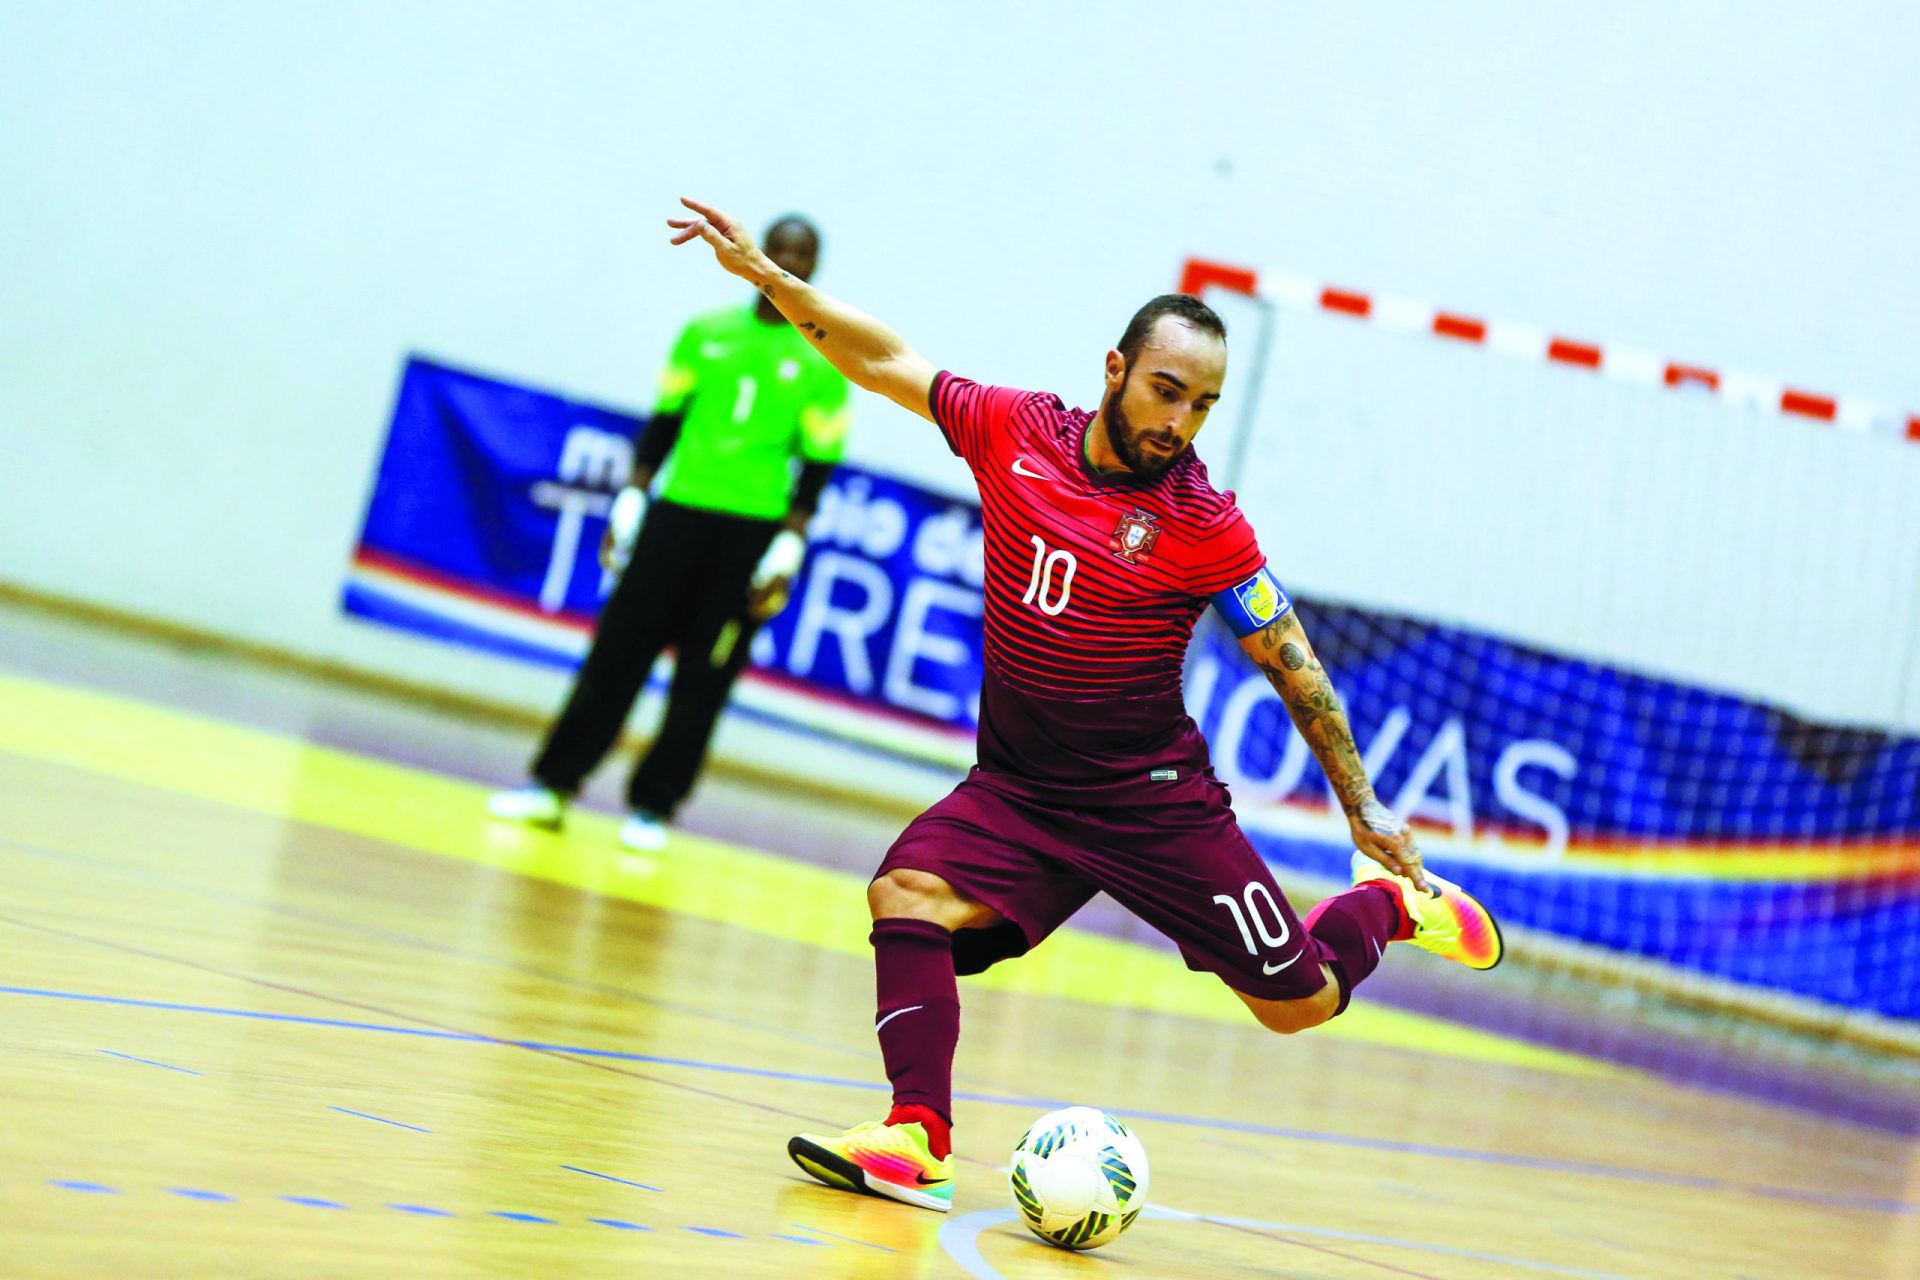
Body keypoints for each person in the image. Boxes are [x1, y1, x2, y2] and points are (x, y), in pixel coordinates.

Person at [668, 198, 1504, 1213]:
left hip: (1153, 804)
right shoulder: (1014, 432)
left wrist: (1364, 812)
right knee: (905, 894)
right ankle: (916, 1134)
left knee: (1300, 1003)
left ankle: (1393, 908)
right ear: (1114, 371)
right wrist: (771, 280)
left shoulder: (1204, 524)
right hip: (1021, 790)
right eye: (1166, 391)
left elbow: (1296, 664)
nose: (1180, 423)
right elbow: (884, 358)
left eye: (1202, 405)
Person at [488, 214, 850, 851]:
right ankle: (552, 785)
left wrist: (790, 543)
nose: (791, 259)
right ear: (761, 253)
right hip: (676, 515)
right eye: (782, 248)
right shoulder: (705, 333)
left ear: (814, 267)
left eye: (804, 253)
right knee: (616, 655)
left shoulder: (823, 361)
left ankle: (653, 808)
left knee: (703, 682)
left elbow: (817, 467)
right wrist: (632, 494)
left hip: (750, 532)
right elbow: (663, 421)